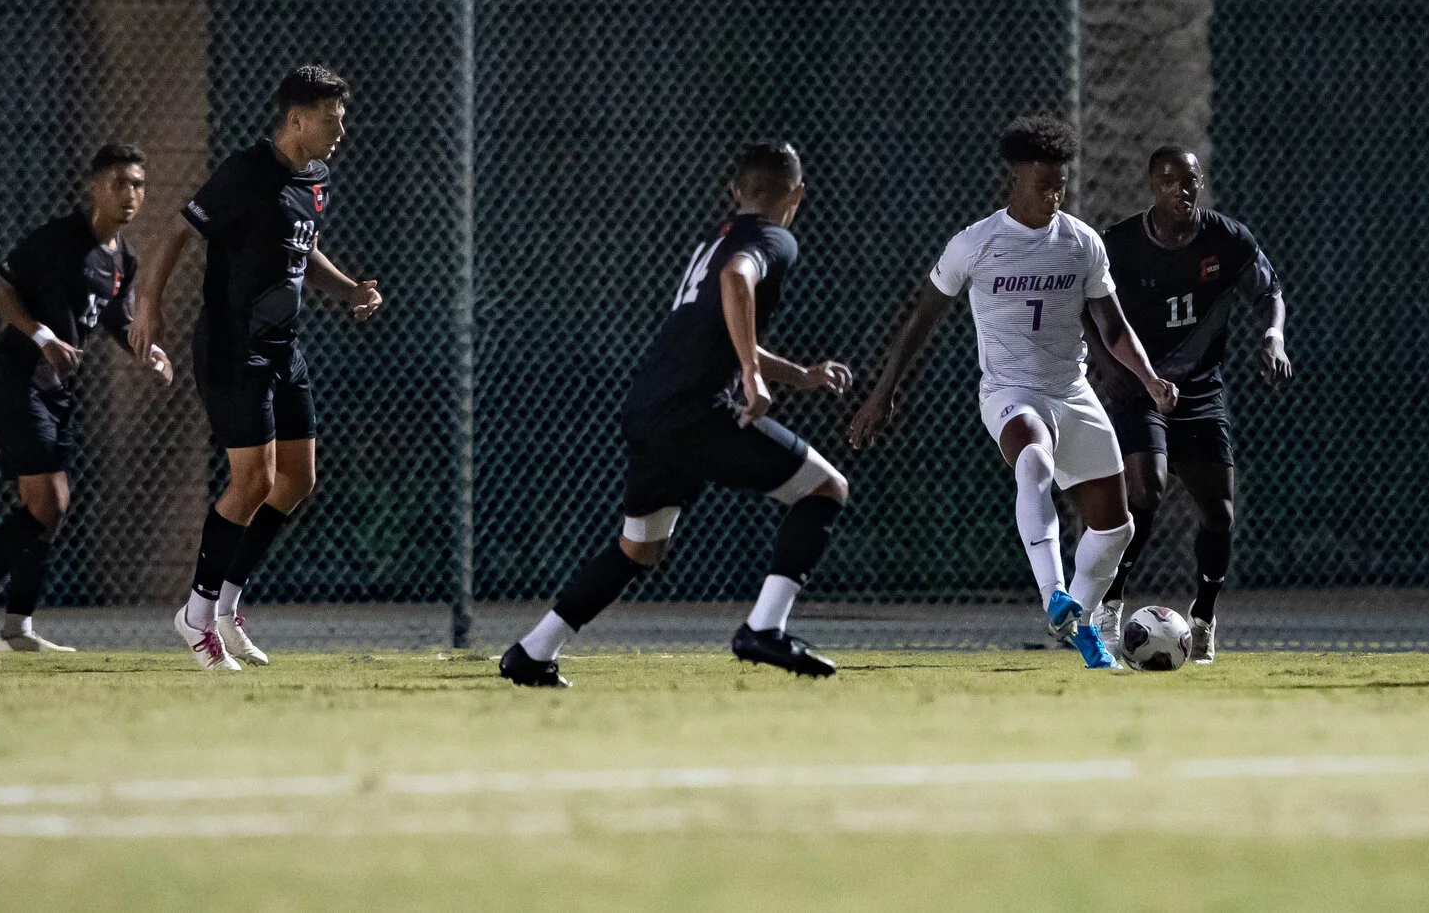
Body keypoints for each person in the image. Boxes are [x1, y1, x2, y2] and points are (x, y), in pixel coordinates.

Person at [501, 143, 853, 688]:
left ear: (735, 191)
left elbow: (721, 324)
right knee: (826, 490)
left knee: (639, 548)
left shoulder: (713, 243)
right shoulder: (772, 239)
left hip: (650, 408)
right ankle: (765, 628)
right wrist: (752, 376)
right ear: (797, 194)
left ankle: (532, 651)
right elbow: (738, 281)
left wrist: (799, 375)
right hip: (695, 411)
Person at [850, 115, 1177, 669]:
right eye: (1044, 183)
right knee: (1033, 461)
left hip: (1070, 391)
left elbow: (1114, 328)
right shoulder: (975, 244)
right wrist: (883, 392)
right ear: (1016, 178)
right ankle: (1053, 596)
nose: (1055, 194)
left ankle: (1079, 620)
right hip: (1009, 390)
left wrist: (1149, 379)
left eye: (1062, 183)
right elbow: (921, 320)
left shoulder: (1081, 242)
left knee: (1116, 528)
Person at [130, 65, 383, 671]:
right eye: (330, 121)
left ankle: (225, 606)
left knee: (297, 481)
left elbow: (303, 247)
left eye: (341, 121)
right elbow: (175, 231)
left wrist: (348, 290)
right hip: (231, 347)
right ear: (296, 120)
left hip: (283, 348)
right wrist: (149, 305)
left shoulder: (315, 178)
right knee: (253, 483)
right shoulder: (245, 173)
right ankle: (195, 614)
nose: (339, 133)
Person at [0, 143, 172, 653]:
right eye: (119, 183)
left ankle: (18, 627)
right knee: (48, 499)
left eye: (138, 184)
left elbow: (116, 318)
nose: (130, 194)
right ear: (94, 186)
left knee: (48, 506)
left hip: (54, 393)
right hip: (13, 379)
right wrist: (43, 338)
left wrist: (151, 351)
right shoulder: (57, 239)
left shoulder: (124, 260)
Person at [1084, 146, 1287, 664]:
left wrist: (1274, 337)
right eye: (1171, 181)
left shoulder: (1228, 238)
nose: (1183, 190)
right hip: (1139, 387)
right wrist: (1107, 368)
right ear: (1154, 184)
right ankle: (1108, 604)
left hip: (1199, 390)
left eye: (1192, 180)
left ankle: (1204, 616)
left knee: (1219, 511)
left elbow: (1271, 294)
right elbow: (1086, 303)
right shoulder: (1123, 244)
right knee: (1145, 491)